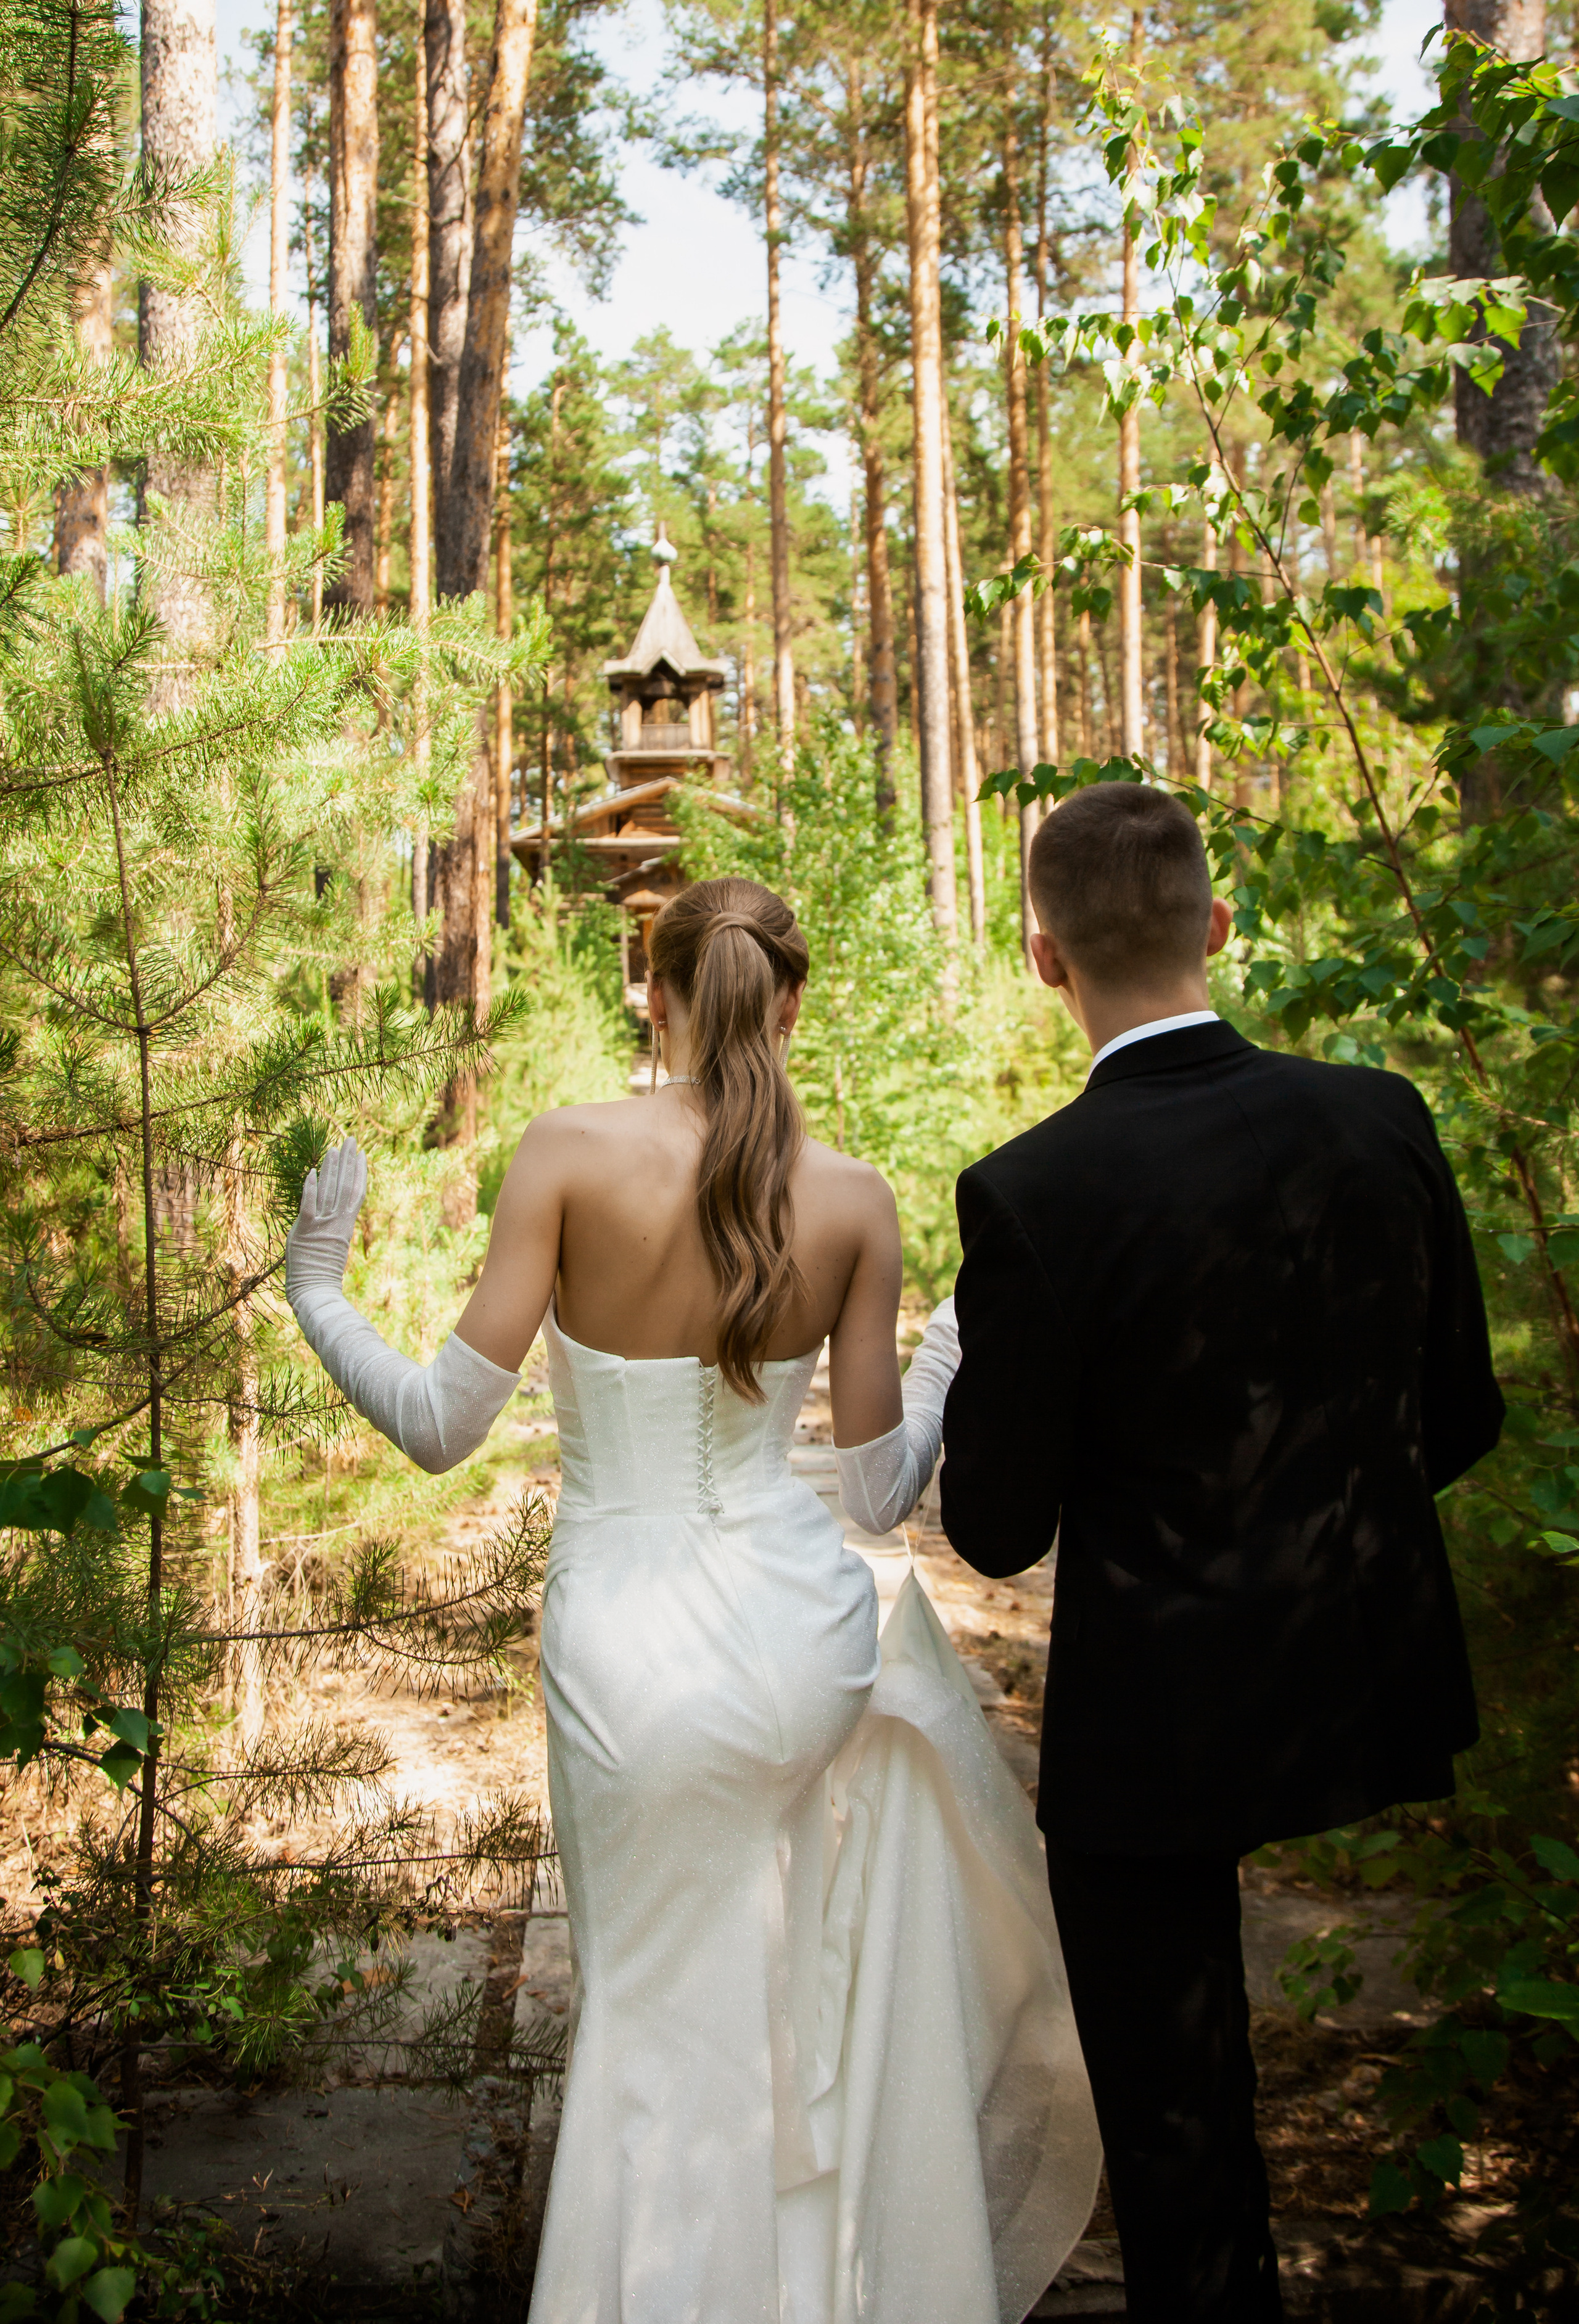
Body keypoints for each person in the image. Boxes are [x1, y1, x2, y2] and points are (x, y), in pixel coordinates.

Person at [284, 876, 1099, 2324]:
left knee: (656, 2012)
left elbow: (434, 1424)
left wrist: (319, 1286)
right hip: (797, 1642)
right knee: (775, 1988)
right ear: (790, 1004)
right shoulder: (852, 1197)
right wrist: (936, 1362)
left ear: (646, 993)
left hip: (627, 1645)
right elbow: (867, 1499)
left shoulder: (565, 1154)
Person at [939, 783, 1505, 2323]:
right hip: (1363, 1668)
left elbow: (991, 1529)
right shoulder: (1380, 1114)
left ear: (1043, 958)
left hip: (1159, 1729)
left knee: (1177, 2123)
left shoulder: (1032, 1192)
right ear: (1219, 925)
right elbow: (1455, 1413)